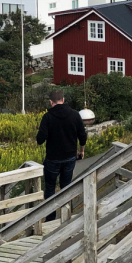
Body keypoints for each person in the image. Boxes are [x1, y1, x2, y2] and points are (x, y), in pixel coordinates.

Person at [36, 89, 87, 220]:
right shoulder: (75, 115)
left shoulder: (47, 117)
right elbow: (82, 135)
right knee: (66, 187)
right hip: (70, 157)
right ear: (63, 100)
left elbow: (40, 140)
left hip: (52, 159)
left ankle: (50, 218)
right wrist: (81, 150)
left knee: (50, 189)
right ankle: (66, 217)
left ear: (51, 102)